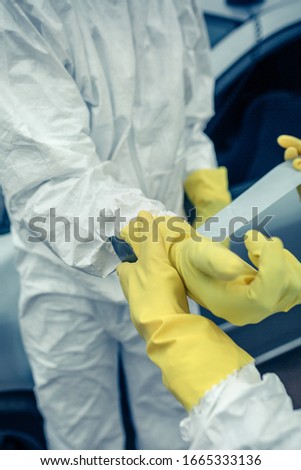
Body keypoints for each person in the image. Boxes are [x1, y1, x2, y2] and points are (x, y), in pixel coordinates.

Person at [0, 1, 232, 450]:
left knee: (181, 428)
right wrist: (162, 237)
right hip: (63, 278)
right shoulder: (24, 9)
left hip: (163, 269)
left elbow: (188, 126)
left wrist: (206, 187)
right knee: (82, 443)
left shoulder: (176, 6)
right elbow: (49, 177)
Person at [117, 145, 301, 449]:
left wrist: (199, 366)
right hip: (71, 283)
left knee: (164, 418)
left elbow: (260, 449)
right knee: (79, 422)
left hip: (157, 264)